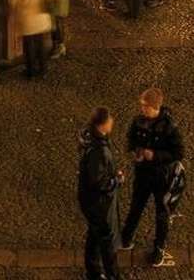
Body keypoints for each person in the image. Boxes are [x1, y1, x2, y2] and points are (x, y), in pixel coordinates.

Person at [120, 88, 184, 268]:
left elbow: (178, 152)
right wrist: (136, 151)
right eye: (141, 106)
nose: (142, 109)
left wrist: (155, 155)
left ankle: (159, 248)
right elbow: (131, 139)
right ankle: (126, 237)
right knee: (136, 206)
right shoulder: (138, 121)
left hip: (161, 177)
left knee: (162, 214)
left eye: (145, 106)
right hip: (142, 173)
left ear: (155, 107)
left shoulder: (169, 127)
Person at [78, 107, 124, 280]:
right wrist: (116, 180)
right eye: (110, 119)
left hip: (89, 201)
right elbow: (99, 182)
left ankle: (93, 271)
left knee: (94, 233)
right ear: (102, 125)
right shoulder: (99, 150)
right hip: (99, 204)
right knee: (106, 241)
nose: (112, 121)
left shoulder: (90, 138)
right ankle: (112, 275)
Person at [9, 0, 58, 79]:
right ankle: (43, 70)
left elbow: (13, 2)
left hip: (27, 22)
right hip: (42, 20)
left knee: (29, 46)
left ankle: (30, 71)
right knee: (41, 45)